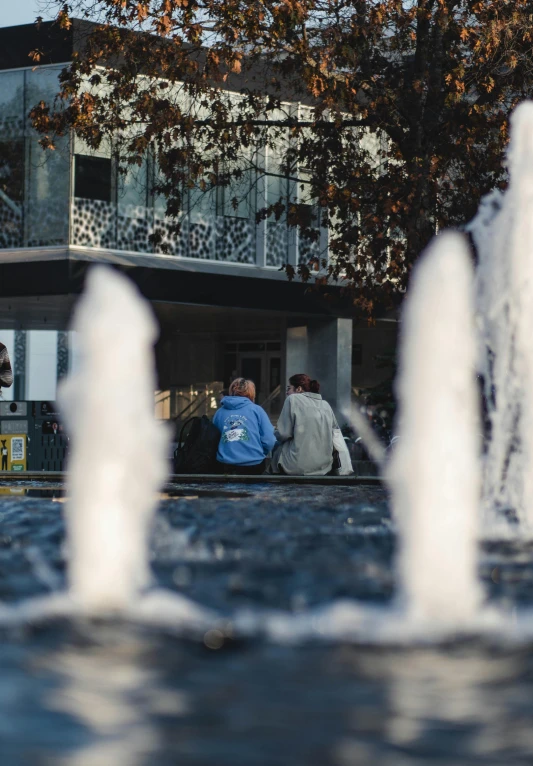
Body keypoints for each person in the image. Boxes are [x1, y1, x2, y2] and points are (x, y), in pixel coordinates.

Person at [271, 373, 338, 475]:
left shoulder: (293, 399)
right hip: (324, 467)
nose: (287, 392)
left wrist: (273, 433)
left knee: (275, 443)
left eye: (289, 388)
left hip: (296, 466)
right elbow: (335, 435)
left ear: (298, 389)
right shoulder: (326, 405)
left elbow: (283, 434)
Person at [213, 377, 276, 475]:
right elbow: (269, 440)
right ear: (251, 392)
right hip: (254, 463)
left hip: (225, 464)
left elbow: (213, 439)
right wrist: (259, 452)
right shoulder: (257, 410)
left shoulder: (219, 412)